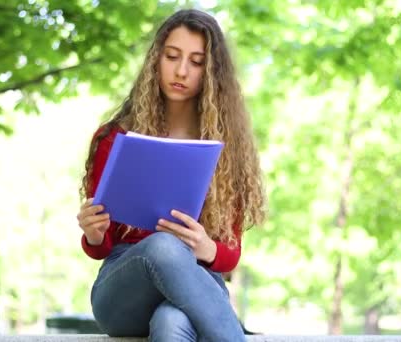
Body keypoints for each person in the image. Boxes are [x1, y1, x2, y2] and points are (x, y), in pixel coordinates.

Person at [76, 8, 266, 342]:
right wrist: (94, 232)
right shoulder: (113, 138)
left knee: (171, 323)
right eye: (172, 56)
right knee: (163, 244)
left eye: (196, 62)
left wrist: (205, 246)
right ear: (156, 60)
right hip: (123, 290)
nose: (181, 71)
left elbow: (230, 254)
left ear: (211, 72)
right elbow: (101, 247)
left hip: (197, 280)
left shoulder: (228, 149)